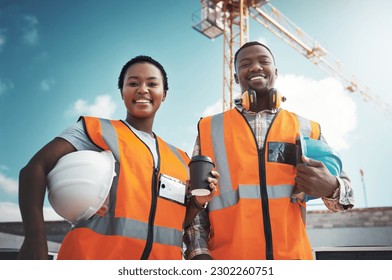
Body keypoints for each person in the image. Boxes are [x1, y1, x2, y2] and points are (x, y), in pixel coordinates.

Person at [17, 55, 217, 260]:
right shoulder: (95, 130)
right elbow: (35, 168)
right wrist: (34, 238)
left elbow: (173, 224)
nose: (142, 89)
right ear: (122, 92)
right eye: (133, 83)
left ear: (164, 94)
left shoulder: (181, 160)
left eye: (152, 83)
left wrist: (197, 203)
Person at [183, 41, 354, 260]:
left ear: (276, 72)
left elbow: (347, 198)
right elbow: (196, 200)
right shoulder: (210, 129)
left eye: (264, 61)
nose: (255, 67)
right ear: (236, 77)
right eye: (245, 64)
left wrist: (331, 187)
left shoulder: (306, 128)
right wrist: (199, 253)